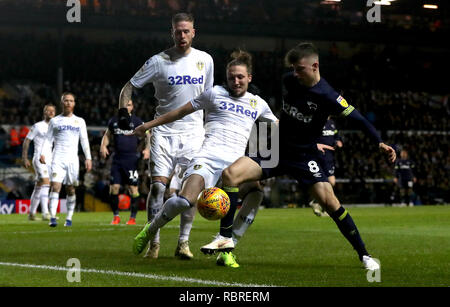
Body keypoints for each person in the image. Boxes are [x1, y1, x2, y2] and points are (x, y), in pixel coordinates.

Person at [202, 42, 396, 270]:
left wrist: (379, 142)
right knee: (230, 174)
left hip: (305, 155)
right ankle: (225, 238)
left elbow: (359, 119)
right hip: (275, 148)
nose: (295, 73)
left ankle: (364, 255)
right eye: (293, 68)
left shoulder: (329, 96)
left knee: (330, 203)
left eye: (299, 68)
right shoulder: (289, 80)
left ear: (315, 66)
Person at [131, 50, 279, 267]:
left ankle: (227, 247)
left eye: (240, 77)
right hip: (207, 159)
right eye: (231, 77)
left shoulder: (258, 103)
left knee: (256, 192)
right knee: (185, 200)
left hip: (235, 165)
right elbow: (179, 112)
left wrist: (311, 139)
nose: (235, 81)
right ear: (226, 78)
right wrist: (148, 125)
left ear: (249, 78)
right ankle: (150, 229)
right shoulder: (214, 93)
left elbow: (276, 128)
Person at [117, 13, 214, 259]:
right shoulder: (158, 61)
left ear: (194, 32)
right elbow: (128, 87)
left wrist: (210, 130)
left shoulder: (206, 60)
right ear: (172, 32)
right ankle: (154, 242)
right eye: (178, 31)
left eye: (186, 31)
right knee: (158, 187)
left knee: (189, 191)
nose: (182, 35)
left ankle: (183, 243)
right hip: (163, 132)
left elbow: (209, 98)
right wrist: (122, 114)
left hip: (193, 133)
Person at [39, 92, 92, 227]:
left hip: (73, 160)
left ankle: (69, 218)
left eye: (71, 101)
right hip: (57, 158)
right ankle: (52, 218)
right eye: (66, 100)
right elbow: (48, 140)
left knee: (70, 189)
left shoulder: (80, 121)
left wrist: (88, 158)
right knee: (55, 186)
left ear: (74, 103)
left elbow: (84, 141)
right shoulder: (55, 121)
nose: (68, 103)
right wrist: (43, 153)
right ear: (62, 103)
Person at [100, 100, 150, 225]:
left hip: (132, 160)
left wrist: (147, 149)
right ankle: (116, 216)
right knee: (114, 188)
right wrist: (103, 146)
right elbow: (107, 135)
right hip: (117, 160)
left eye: (128, 105)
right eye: (124, 105)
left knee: (133, 189)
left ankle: (132, 218)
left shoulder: (137, 121)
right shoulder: (114, 121)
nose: (126, 107)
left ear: (132, 107)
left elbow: (148, 134)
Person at [22, 104, 56, 221]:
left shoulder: (55, 128)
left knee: (39, 186)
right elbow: (27, 141)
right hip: (38, 158)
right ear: (44, 113)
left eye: (53, 111)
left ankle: (31, 214)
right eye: (48, 111)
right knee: (46, 183)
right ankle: (46, 213)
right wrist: (24, 158)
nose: (51, 113)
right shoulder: (37, 126)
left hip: (50, 159)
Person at [309, 116, 343, 217]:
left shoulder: (332, 123)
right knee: (324, 181)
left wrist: (338, 141)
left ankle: (318, 202)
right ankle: (323, 205)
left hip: (329, 157)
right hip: (318, 155)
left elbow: (336, 136)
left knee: (331, 182)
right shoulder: (317, 121)